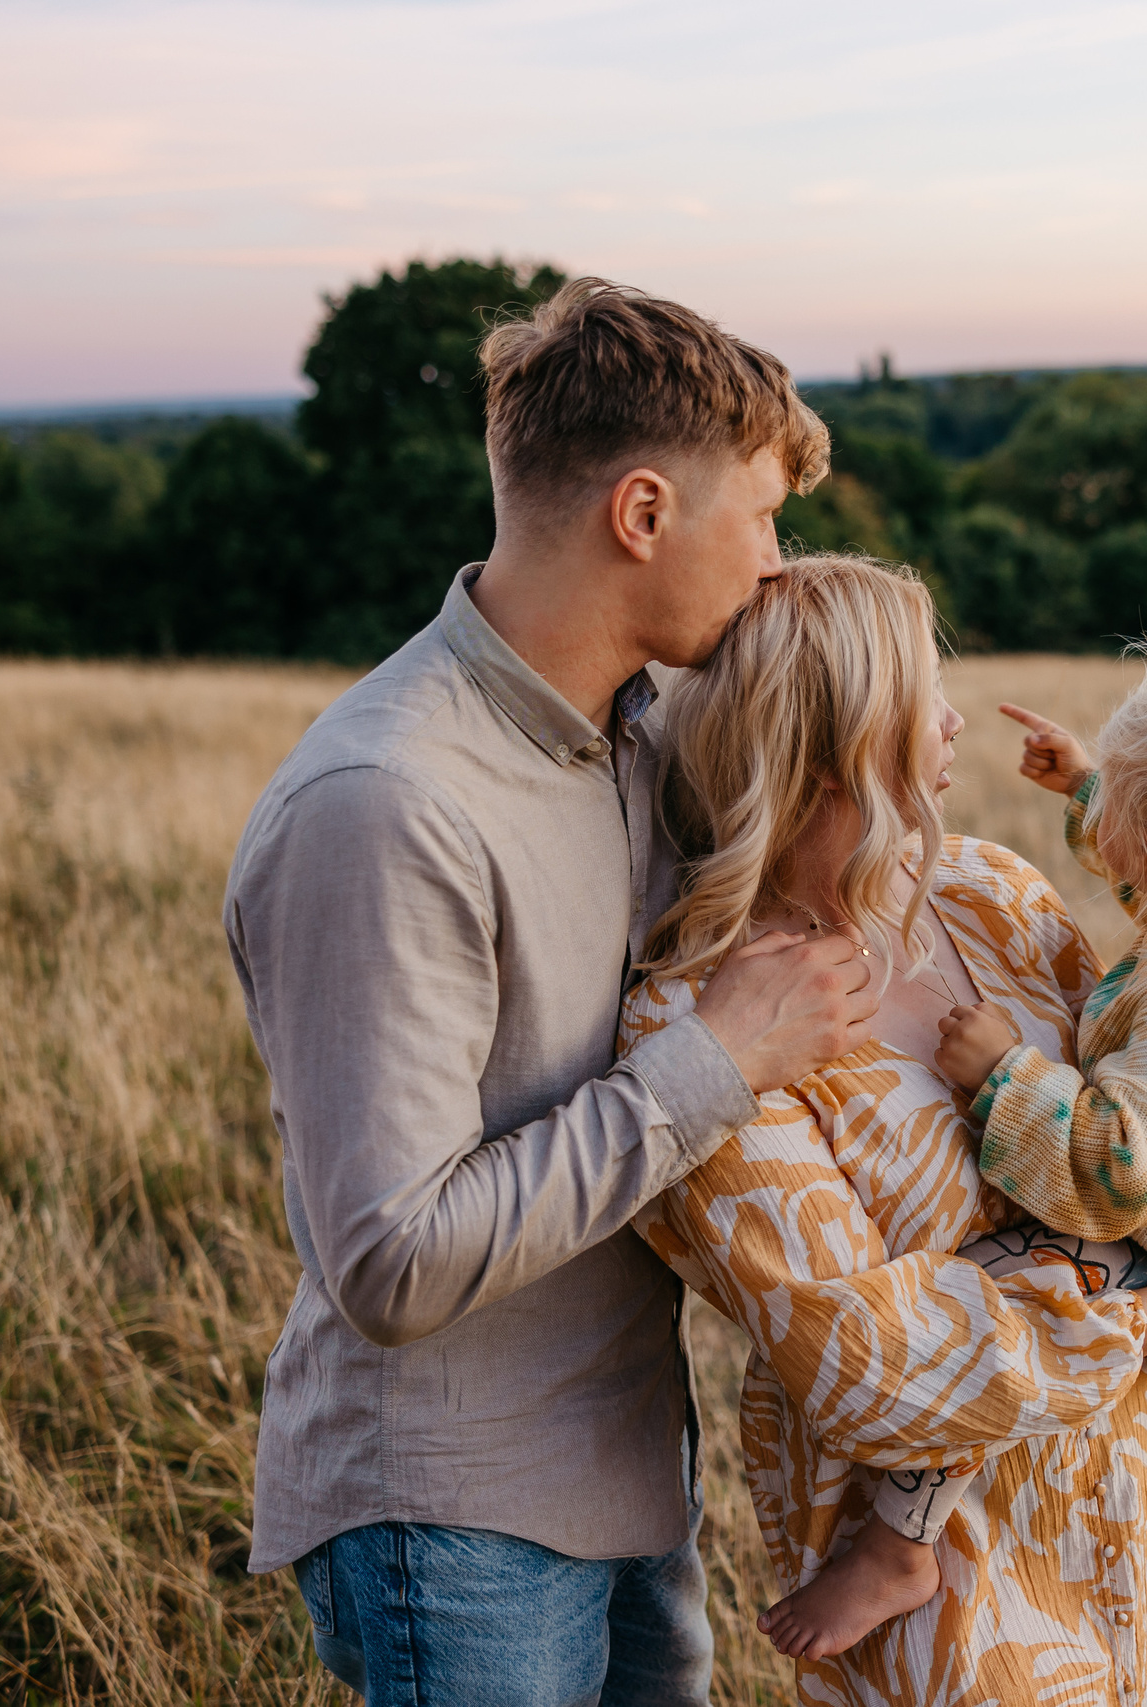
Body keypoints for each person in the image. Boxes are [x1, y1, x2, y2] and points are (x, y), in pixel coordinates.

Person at [223, 279, 885, 1707]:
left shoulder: (641, 739)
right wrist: (714, 1064)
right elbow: (393, 1260)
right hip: (455, 1515)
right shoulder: (386, 802)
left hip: (630, 1468)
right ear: (642, 515)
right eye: (763, 519)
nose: (779, 566)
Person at [623, 556, 1147, 1702]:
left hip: (1125, 1515)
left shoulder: (993, 894)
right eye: (918, 697)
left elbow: (1145, 1116)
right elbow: (859, 1365)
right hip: (958, 1603)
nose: (950, 723)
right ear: (835, 748)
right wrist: (1140, 1322)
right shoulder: (699, 1019)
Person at [773, 656, 1147, 1655]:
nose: (1096, 820)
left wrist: (1007, 1078)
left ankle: (901, 1545)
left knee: (987, 1287)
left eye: (1113, 793)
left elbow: (1125, 1172)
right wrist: (1087, 785)